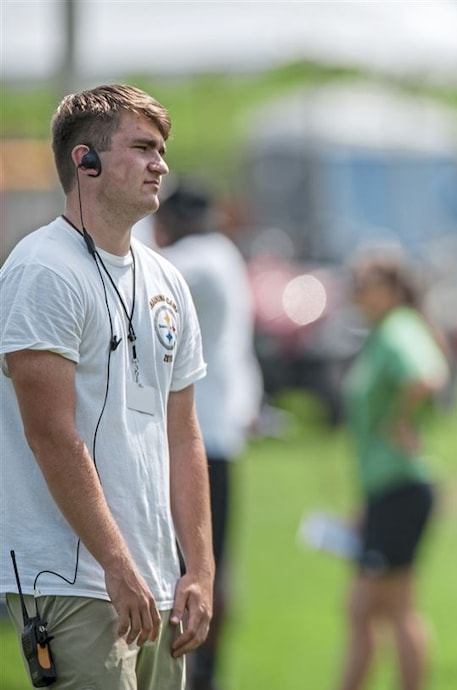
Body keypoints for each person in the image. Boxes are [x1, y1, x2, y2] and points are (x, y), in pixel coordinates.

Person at [0, 84, 213, 688]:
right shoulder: (42, 270)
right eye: (143, 147)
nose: (161, 164)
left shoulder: (168, 279)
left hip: (155, 582)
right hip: (73, 579)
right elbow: (50, 434)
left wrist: (198, 568)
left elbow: (182, 433)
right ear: (85, 161)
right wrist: (116, 567)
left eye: (162, 149)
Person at [152, 180, 263, 690]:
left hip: (198, 435)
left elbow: (138, 271)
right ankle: (203, 674)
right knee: (208, 561)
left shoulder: (197, 259)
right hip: (217, 431)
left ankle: (196, 674)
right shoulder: (223, 255)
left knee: (187, 567)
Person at [337, 248, 450, 690]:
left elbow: (429, 375)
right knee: (370, 609)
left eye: (364, 284)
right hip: (385, 489)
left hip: (402, 487)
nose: (356, 292)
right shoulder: (384, 331)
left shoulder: (400, 328)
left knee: (384, 608)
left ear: (392, 289)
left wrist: (401, 421)